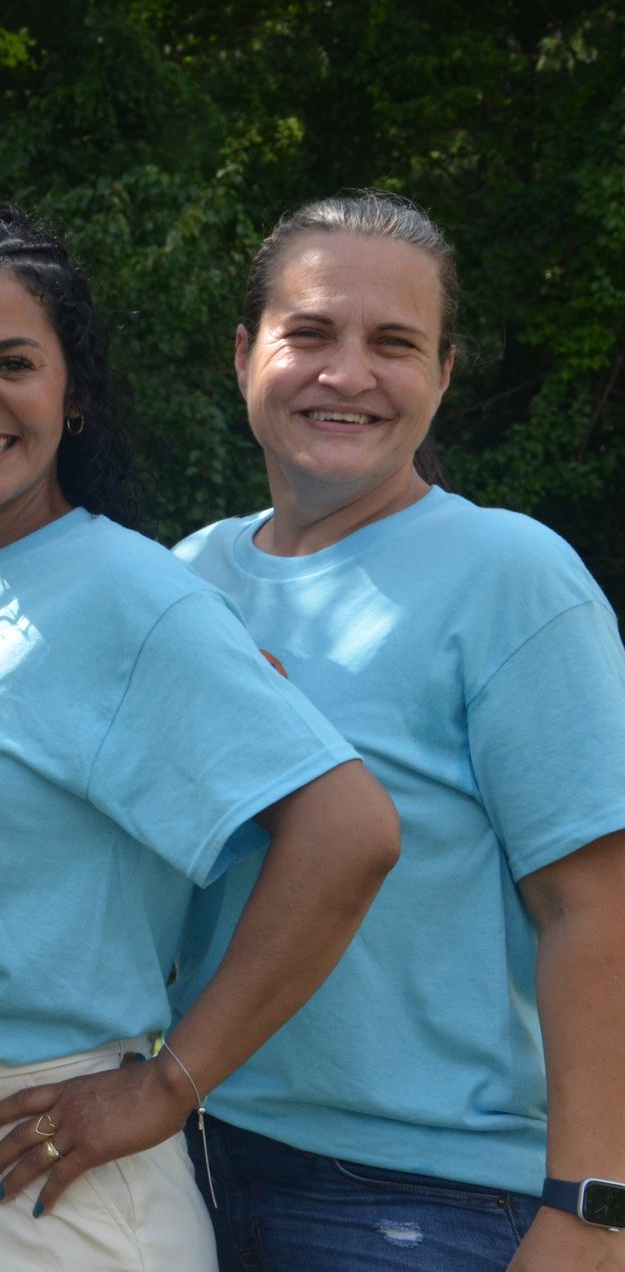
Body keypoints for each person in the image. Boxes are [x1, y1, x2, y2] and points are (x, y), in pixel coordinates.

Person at [0, 204, 401, 1271]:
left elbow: (348, 830)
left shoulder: (129, 595)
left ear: (71, 392)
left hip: (43, 1160)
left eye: (13, 362)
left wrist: (169, 1085)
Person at [172, 191, 625, 1271]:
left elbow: (595, 908)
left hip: (425, 1203)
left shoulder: (510, 578)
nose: (348, 374)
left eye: (394, 343)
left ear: (445, 374)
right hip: (187, 1165)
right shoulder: (188, 579)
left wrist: (592, 1211)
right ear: (245, 354)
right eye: (310, 333)